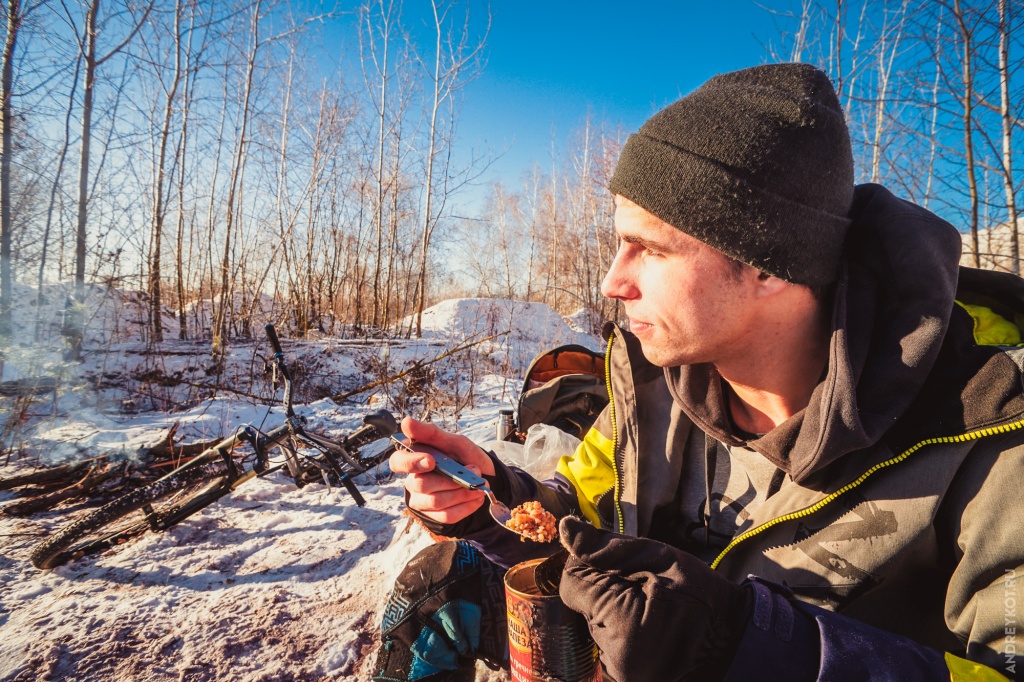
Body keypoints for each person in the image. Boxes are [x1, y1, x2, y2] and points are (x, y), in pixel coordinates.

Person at [372, 62, 1024, 681]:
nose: (613, 281)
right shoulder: (656, 384)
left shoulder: (989, 431)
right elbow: (581, 513)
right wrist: (494, 499)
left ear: (768, 262)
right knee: (441, 581)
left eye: (649, 249)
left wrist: (743, 647)